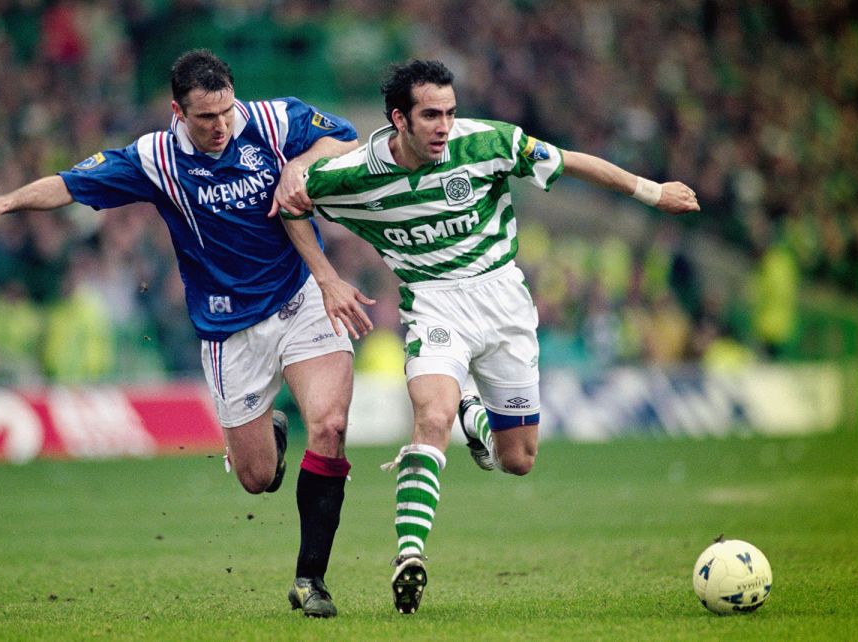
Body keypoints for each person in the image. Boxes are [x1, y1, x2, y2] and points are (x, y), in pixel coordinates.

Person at [0, 49, 373, 618]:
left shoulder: (274, 120)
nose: (222, 125)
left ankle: (311, 580)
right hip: (230, 329)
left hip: (302, 300)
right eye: (206, 117)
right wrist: (2, 203)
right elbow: (70, 183)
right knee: (256, 480)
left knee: (330, 425)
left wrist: (301, 165)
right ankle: (266, 439)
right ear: (178, 111)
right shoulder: (154, 159)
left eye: (227, 110)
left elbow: (345, 137)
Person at [278, 59, 700, 615]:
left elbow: (570, 162)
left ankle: (474, 417)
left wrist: (651, 191)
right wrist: (327, 277)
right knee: (430, 418)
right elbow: (289, 206)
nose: (444, 126)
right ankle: (409, 556)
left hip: (504, 302)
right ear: (399, 119)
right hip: (432, 302)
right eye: (431, 115)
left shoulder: (487, 143)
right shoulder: (356, 173)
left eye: (450, 113)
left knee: (518, 459)